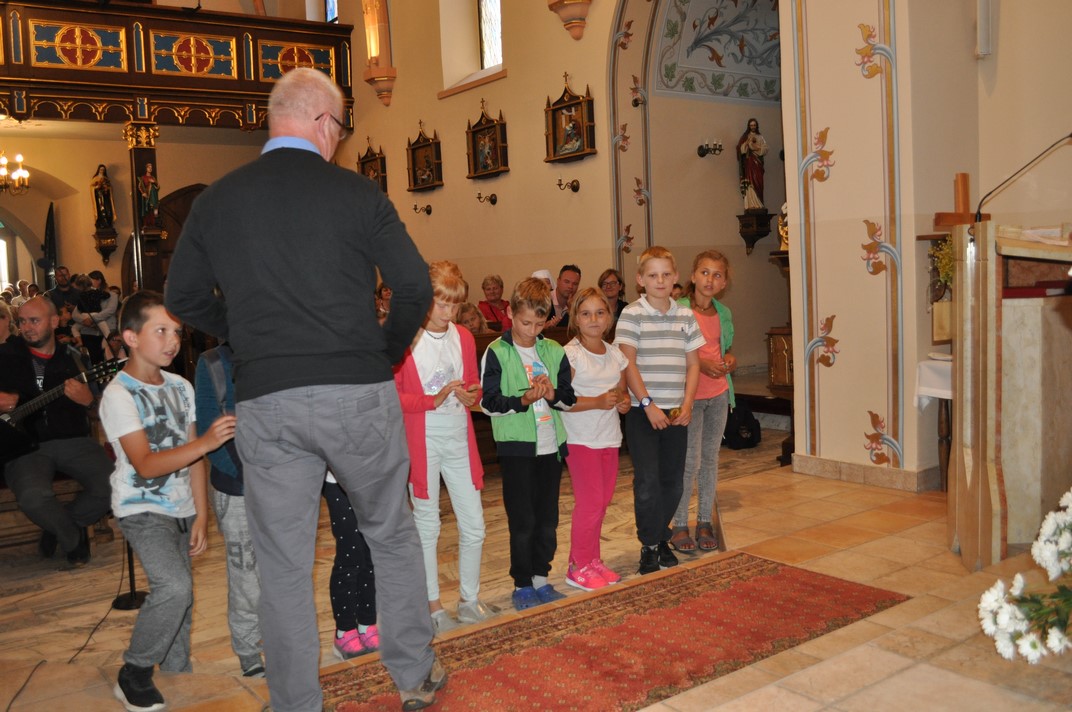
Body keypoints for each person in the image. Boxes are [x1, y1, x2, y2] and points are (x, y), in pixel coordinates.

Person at [164, 67, 442, 712]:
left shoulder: (217, 200)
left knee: (283, 561)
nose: (338, 141)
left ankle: (294, 702)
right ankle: (414, 675)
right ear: (321, 121)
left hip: (268, 399)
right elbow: (414, 287)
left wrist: (246, 334)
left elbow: (182, 296)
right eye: (339, 128)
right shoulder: (357, 193)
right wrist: (383, 352)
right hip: (357, 392)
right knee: (390, 534)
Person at [99, 291, 237, 711]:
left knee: (183, 600)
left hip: (182, 508)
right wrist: (207, 442)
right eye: (160, 331)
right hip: (141, 509)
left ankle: (178, 675)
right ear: (131, 337)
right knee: (173, 587)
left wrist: (200, 515)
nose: (173, 341)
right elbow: (144, 464)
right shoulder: (119, 395)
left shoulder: (180, 386)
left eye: (176, 332)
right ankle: (135, 671)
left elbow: (194, 458)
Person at [394, 261, 491, 634]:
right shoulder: (406, 339)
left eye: (455, 305)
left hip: (458, 435)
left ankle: (469, 599)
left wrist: (470, 394)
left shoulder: (463, 336)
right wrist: (431, 401)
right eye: (442, 303)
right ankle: (432, 604)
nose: (448, 312)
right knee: (427, 524)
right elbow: (392, 396)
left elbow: (473, 384)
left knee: (474, 524)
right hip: (423, 438)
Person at [480, 277, 576, 611]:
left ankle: (540, 578)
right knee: (523, 520)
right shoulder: (497, 352)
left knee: (547, 519)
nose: (531, 331)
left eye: (538, 324)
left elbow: (568, 399)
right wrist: (522, 401)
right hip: (516, 449)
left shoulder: (554, 351)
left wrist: (550, 393)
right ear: (511, 312)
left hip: (551, 448)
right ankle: (522, 583)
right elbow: (488, 403)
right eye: (525, 323)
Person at [0, 297, 112, 567]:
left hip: (74, 440)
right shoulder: (5, 355)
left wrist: (89, 401)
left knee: (115, 485)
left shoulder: (75, 358)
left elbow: (100, 412)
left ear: (53, 321)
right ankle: (72, 538)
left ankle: (58, 526)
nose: (27, 327)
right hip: (24, 446)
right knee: (33, 497)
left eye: (34, 321)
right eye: (22, 321)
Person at [614, 246, 703, 575]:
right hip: (643, 412)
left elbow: (693, 364)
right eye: (653, 275)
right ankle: (650, 544)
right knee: (648, 481)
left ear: (676, 277)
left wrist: (688, 402)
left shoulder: (685, 315)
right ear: (640, 280)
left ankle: (660, 535)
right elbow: (628, 363)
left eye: (666, 274)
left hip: (677, 411)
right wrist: (647, 404)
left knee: (673, 481)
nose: (660, 280)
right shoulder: (632, 314)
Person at [193, 343, 265, 678]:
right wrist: (250, 477)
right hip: (236, 486)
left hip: (282, 485)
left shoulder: (276, 349)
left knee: (282, 574)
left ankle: (280, 639)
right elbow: (209, 433)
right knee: (246, 577)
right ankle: (248, 647)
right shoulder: (213, 364)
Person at [560, 288, 630, 591]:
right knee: (589, 504)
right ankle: (577, 565)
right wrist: (597, 402)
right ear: (576, 318)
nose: (593, 319)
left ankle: (593, 560)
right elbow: (562, 400)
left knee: (601, 503)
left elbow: (622, 393)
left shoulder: (615, 354)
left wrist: (623, 402)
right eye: (586, 313)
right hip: (580, 438)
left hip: (609, 438)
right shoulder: (571, 354)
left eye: (600, 313)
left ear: (609, 317)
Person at [669, 251, 736, 553]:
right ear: (693, 276)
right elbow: (673, 352)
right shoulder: (679, 310)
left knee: (709, 459)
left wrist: (730, 359)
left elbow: (724, 347)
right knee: (689, 461)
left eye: (717, 275)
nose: (710, 279)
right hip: (690, 396)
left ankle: (705, 520)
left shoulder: (724, 313)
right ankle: (680, 524)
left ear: (724, 283)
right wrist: (700, 364)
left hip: (718, 394)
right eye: (705, 272)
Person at [322, 472, 381, 660]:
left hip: (368, 479)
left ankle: (366, 623)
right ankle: (344, 630)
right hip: (337, 480)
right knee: (350, 555)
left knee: (369, 553)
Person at [72, 270, 118, 365]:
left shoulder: (112, 295)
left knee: (108, 359)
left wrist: (92, 319)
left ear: (99, 280)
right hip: (88, 332)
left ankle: (105, 344)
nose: (89, 282)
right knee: (92, 361)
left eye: (91, 279)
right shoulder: (85, 294)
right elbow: (75, 314)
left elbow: (110, 311)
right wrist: (85, 320)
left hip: (106, 327)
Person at [737, 117, 769, 210]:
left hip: (758, 163)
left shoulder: (760, 137)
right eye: (751, 125)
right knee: (751, 180)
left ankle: (760, 203)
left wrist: (757, 148)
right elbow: (741, 150)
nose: (753, 127)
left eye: (754, 125)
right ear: (749, 126)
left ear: (756, 126)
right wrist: (747, 143)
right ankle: (751, 203)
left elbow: (766, 148)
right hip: (749, 163)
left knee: (758, 182)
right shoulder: (746, 137)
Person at [549, 264, 581, 329]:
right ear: (558, 281)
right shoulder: (544, 299)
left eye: (575, 284)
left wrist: (572, 310)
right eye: (567, 282)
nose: (570, 286)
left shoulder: (579, 304)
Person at [91, 164, 116, 230]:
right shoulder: (95, 179)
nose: (102, 171)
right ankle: (102, 223)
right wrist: (97, 187)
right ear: (98, 170)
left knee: (108, 210)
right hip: (99, 197)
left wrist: (107, 188)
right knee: (102, 210)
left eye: (103, 170)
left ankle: (108, 223)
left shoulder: (106, 179)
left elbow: (110, 188)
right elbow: (92, 188)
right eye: (101, 169)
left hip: (106, 197)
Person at [138, 162, 161, 229]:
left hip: (153, 196)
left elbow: (158, 186)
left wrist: (154, 182)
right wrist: (143, 193)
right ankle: (146, 223)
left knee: (153, 209)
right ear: (146, 168)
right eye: (149, 167)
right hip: (147, 196)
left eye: (151, 168)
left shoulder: (153, 177)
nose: (150, 169)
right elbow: (140, 186)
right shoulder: (143, 177)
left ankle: (153, 223)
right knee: (147, 209)